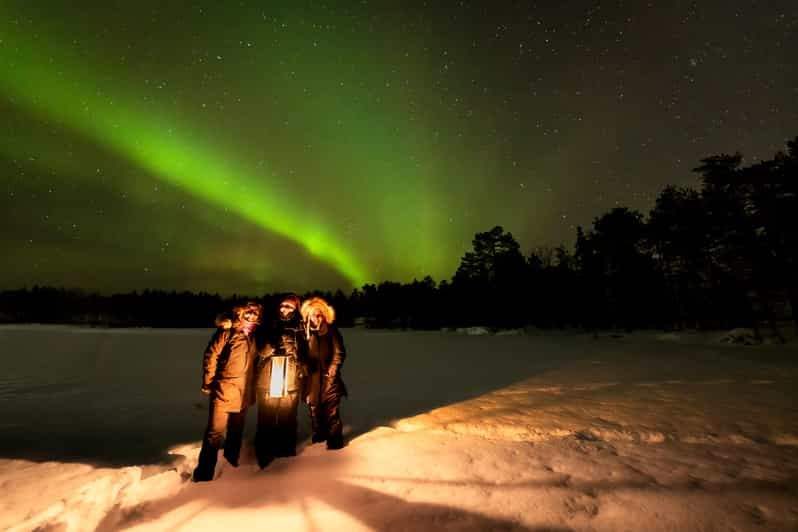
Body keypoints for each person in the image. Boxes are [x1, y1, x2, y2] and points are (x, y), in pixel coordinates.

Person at [192, 301, 262, 482]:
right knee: (215, 434)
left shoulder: (254, 335)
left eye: (255, 313)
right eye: (249, 312)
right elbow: (211, 355)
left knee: (236, 433)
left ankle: (230, 469)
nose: (252, 315)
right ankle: (203, 475)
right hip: (224, 390)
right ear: (240, 313)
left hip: (244, 393)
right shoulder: (228, 331)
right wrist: (209, 382)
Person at [253, 293, 308, 468]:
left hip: (290, 381)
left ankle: (286, 456)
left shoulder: (300, 328)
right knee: (266, 419)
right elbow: (260, 351)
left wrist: (295, 352)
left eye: (290, 306)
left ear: (295, 309)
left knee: (288, 419)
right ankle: (264, 456)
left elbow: (305, 355)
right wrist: (273, 343)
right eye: (283, 305)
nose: (285, 309)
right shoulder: (267, 325)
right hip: (267, 379)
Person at [300, 296, 347, 450]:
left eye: (320, 314)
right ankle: (319, 438)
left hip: (329, 379)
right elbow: (300, 353)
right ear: (308, 316)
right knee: (315, 410)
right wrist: (304, 366)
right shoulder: (304, 333)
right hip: (311, 380)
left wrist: (333, 368)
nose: (317, 317)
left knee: (331, 411)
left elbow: (339, 352)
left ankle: (335, 441)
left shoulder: (331, 331)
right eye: (313, 314)